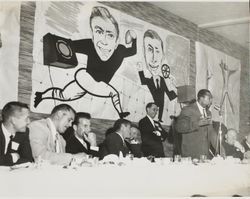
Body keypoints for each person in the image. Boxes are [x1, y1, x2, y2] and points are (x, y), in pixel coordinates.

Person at [34, 6, 137, 119]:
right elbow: (68, 44)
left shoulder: (120, 51)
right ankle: (121, 113)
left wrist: (134, 37)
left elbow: (133, 50)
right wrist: (49, 42)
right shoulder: (89, 45)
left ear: (117, 41)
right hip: (85, 77)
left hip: (96, 84)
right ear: (93, 37)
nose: (104, 41)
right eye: (98, 32)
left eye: (110, 35)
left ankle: (41, 95)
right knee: (113, 93)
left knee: (64, 95)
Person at [137, 29, 177, 122]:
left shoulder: (163, 80)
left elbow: (170, 94)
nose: (154, 58)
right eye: (150, 50)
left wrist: (174, 87)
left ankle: (159, 118)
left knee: (161, 107)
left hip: (161, 102)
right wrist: (140, 70)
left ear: (163, 55)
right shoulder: (148, 80)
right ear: (144, 52)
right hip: (152, 103)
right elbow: (143, 80)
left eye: (158, 51)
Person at [175, 89, 219, 159]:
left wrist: (221, 150)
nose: (211, 101)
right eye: (209, 98)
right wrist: (198, 123)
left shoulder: (208, 113)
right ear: (201, 98)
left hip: (204, 155)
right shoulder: (187, 109)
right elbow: (179, 127)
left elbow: (211, 133)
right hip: (191, 155)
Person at [0, 101, 33, 166]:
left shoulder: (24, 133)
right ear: (13, 120)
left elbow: (28, 160)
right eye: (26, 119)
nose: (29, 122)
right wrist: (13, 157)